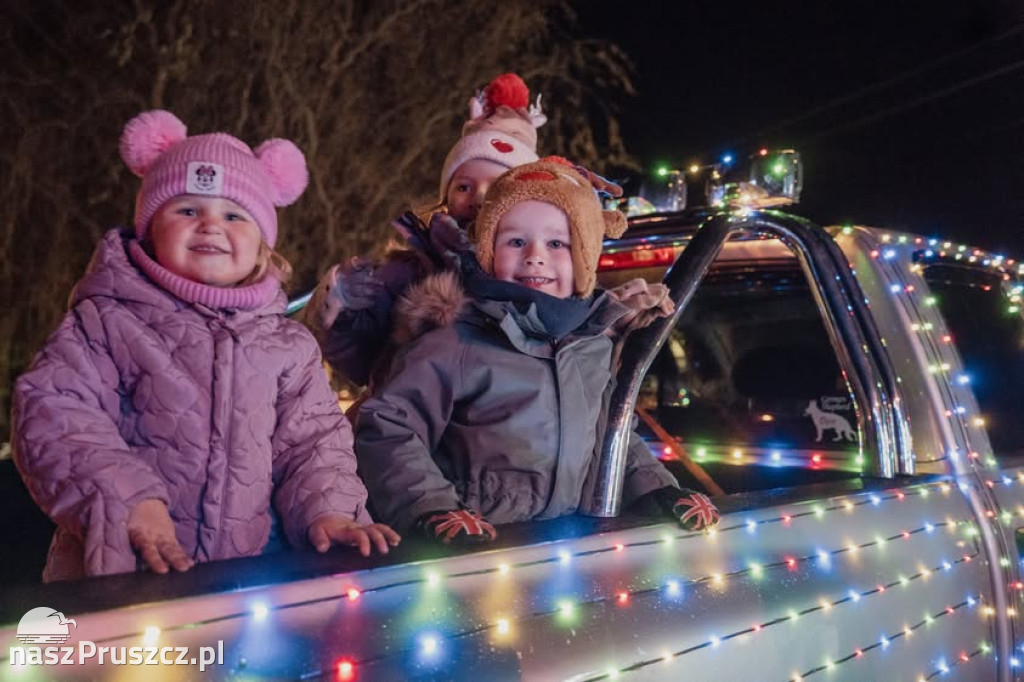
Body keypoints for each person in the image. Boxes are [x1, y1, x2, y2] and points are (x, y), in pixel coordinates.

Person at [12, 110, 399, 582]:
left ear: (262, 244)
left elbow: (312, 445)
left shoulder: (287, 346)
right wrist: (129, 500)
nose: (211, 225)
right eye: (188, 210)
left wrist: (331, 513)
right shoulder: (107, 321)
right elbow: (54, 412)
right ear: (150, 227)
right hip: (122, 576)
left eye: (234, 214)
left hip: (249, 586)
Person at [354, 157, 721, 544]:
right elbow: (390, 426)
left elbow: (613, 436)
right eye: (515, 241)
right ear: (487, 250)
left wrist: (655, 489)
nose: (535, 255)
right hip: (471, 553)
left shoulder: (592, 346)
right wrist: (429, 507)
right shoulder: (454, 341)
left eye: (557, 243)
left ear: (584, 257)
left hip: (568, 549)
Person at [305, 73, 546, 389]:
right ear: (445, 199)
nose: (478, 197)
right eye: (464, 186)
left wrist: (615, 316)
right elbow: (360, 359)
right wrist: (340, 310)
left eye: (497, 186)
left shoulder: (539, 273)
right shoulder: (407, 273)